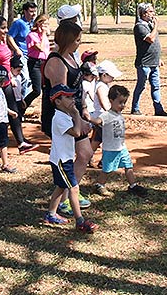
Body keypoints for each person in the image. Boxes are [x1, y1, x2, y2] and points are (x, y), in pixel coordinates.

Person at [43, 20, 94, 217]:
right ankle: (67, 195)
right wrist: (77, 119)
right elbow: (62, 97)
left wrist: (84, 110)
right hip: (62, 116)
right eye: (77, 40)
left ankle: (69, 193)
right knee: (79, 154)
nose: (79, 43)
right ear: (68, 40)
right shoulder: (56, 62)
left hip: (75, 112)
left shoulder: (71, 57)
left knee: (85, 154)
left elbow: (77, 88)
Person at [44, 84, 98, 233]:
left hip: (63, 158)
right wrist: (76, 114)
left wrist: (75, 115)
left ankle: (51, 214)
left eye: (72, 96)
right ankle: (80, 221)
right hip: (62, 161)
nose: (72, 99)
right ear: (58, 101)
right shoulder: (59, 118)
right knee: (73, 188)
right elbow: (77, 132)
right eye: (67, 97)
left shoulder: (65, 115)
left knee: (61, 187)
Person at [0, 15, 36, 153]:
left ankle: (21, 142)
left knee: (14, 112)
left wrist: (11, 76)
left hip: (7, 83)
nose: (6, 31)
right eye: (3, 28)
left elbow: (6, 64)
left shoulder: (3, 43)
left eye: (6, 27)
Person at [93, 85, 148, 197]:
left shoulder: (119, 115)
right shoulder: (106, 115)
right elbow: (98, 121)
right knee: (107, 169)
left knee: (128, 166)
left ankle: (133, 186)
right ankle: (100, 184)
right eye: (120, 102)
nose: (123, 105)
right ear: (111, 100)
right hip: (110, 149)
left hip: (121, 147)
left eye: (124, 102)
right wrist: (88, 118)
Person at [131, 2, 167, 116]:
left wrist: (158, 58)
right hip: (144, 63)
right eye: (151, 11)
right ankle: (135, 108)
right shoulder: (139, 26)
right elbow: (151, 39)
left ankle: (158, 110)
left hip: (154, 62)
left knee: (156, 86)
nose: (153, 13)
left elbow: (154, 44)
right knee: (141, 86)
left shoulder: (149, 25)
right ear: (144, 13)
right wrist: (156, 26)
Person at [89, 60, 121, 159]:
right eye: (111, 75)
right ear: (103, 75)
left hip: (100, 117)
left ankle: (87, 158)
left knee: (97, 139)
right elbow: (103, 102)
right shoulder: (101, 87)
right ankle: (104, 161)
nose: (113, 78)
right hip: (102, 117)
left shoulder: (103, 85)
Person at [24, 13, 51, 110]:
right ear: (39, 24)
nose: (47, 27)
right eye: (45, 24)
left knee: (46, 89)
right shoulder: (32, 35)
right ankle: (23, 106)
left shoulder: (44, 37)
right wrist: (43, 33)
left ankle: (45, 113)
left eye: (47, 24)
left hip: (45, 63)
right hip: (35, 63)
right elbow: (41, 48)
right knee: (37, 90)